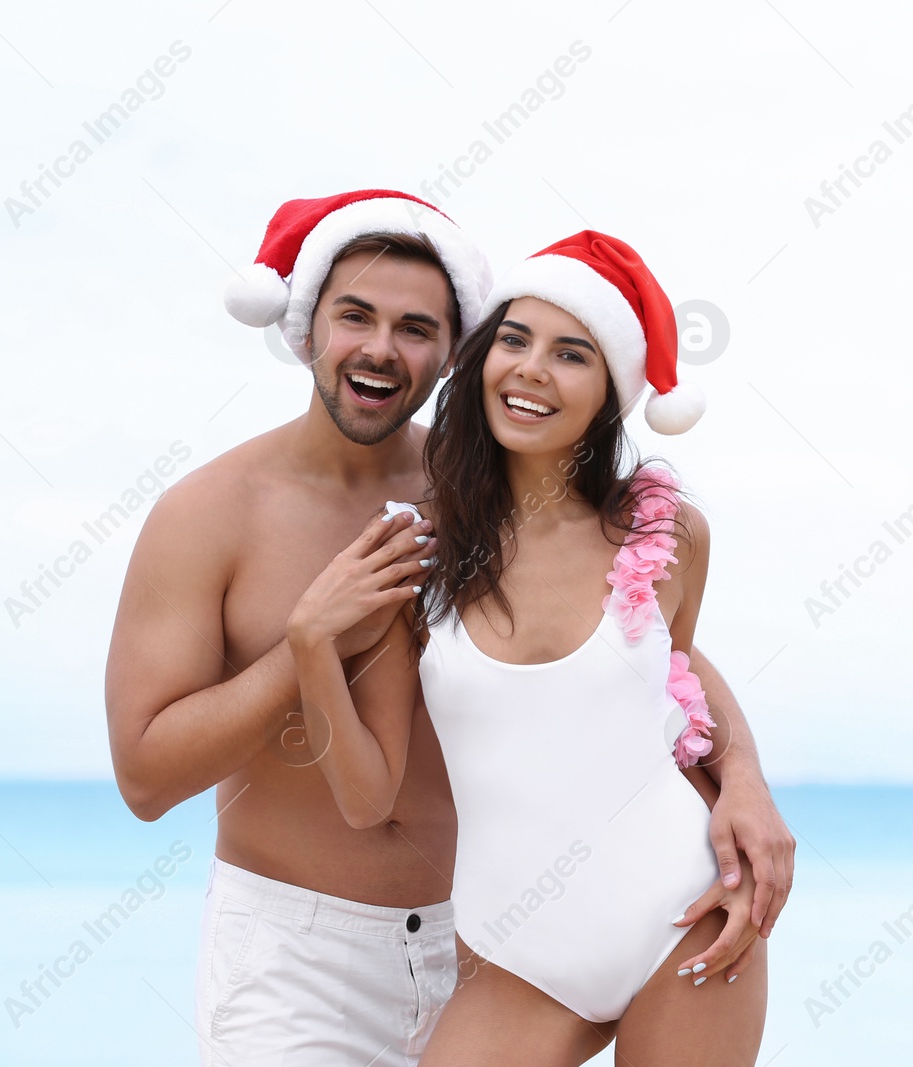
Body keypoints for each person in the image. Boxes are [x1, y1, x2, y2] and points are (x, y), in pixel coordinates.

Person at [104, 191, 793, 1066]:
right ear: (307, 323)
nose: (381, 348)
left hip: (478, 942)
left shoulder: (477, 491)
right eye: (355, 314)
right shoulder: (209, 512)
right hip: (300, 960)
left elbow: (651, 649)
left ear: (450, 354)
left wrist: (744, 779)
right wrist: (309, 638)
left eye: (416, 327)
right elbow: (143, 779)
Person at [288, 231, 769, 1064]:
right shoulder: (422, 557)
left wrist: (748, 785)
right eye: (513, 340)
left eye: (571, 354)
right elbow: (368, 799)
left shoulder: (666, 534)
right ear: (480, 364)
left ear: (609, 392)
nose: (533, 369)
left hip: (690, 918)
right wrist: (309, 645)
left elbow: (678, 687)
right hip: (517, 955)